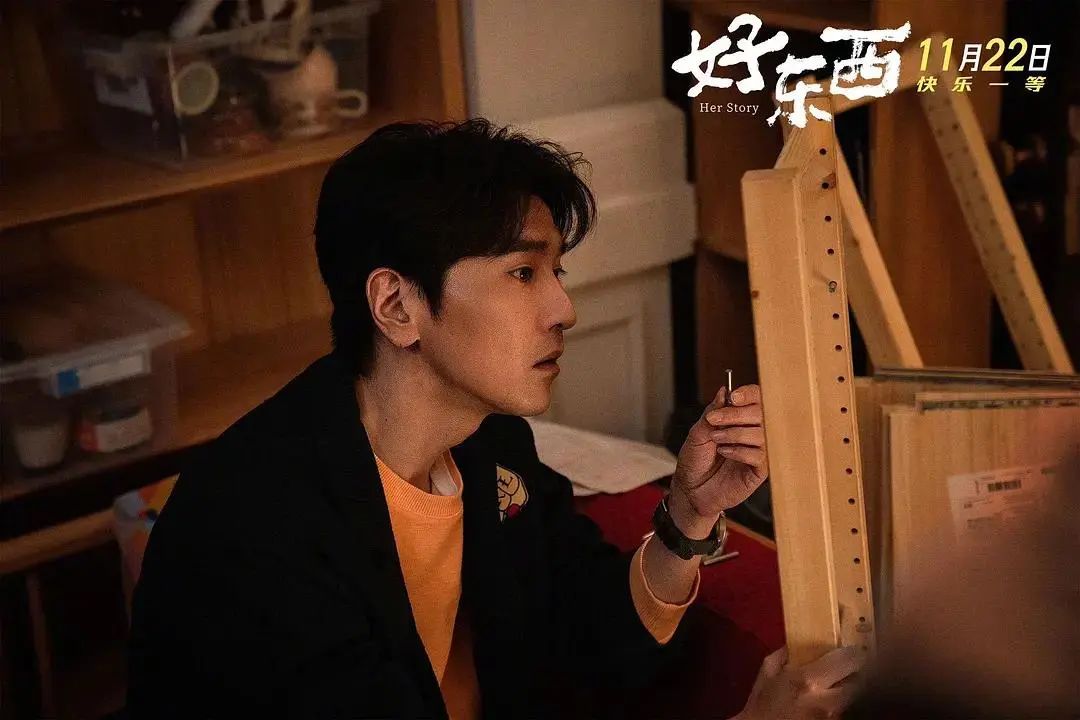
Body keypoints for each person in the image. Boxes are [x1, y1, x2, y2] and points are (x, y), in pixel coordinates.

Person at [126, 119, 861, 719]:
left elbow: (592, 632)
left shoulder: (489, 443)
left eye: (556, 272)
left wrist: (689, 513)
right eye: (522, 272)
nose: (564, 309)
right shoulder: (259, 526)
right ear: (397, 306)